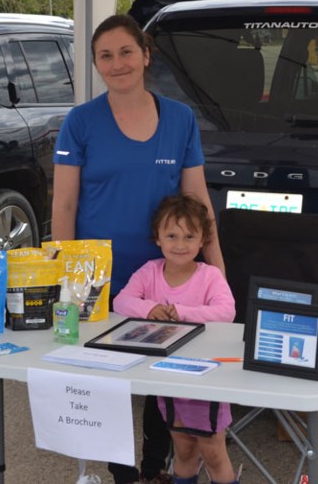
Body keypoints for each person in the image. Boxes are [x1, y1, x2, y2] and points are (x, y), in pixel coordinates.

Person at [52, 14, 225, 484]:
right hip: (99, 276)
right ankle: (121, 471)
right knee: (106, 377)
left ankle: (154, 468)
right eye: (105, 56)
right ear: (96, 65)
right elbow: (64, 205)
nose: (117, 63)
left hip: (166, 277)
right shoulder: (80, 122)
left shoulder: (179, 119)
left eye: (126, 52)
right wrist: (66, 281)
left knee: (161, 378)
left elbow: (198, 202)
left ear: (146, 55)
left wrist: (217, 272)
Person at [115, 195, 238, 484]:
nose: (180, 244)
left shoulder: (209, 276)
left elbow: (227, 311)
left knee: (214, 453)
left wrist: (181, 312)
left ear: (202, 241)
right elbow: (121, 301)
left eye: (189, 236)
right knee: (182, 450)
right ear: (157, 238)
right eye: (171, 235)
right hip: (166, 379)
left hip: (205, 378)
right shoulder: (149, 271)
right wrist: (148, 308)